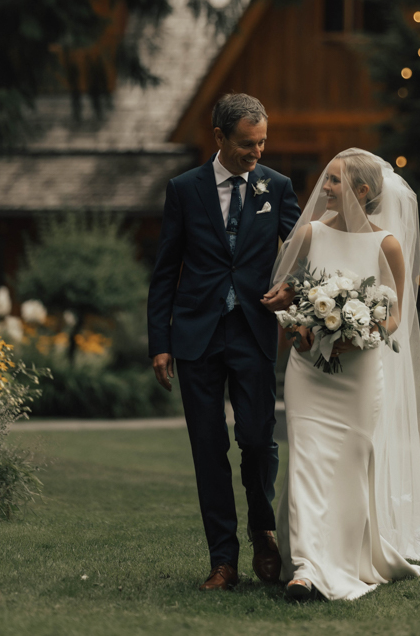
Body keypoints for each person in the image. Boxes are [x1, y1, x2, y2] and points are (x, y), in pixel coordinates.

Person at [266, 148, 420, 602]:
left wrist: (360, 331)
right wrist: (299, 322)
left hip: (359, 375)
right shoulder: (306, 235)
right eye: (327, 179)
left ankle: (341, 559)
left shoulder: (386, 245)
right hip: (308, 371)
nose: (324, 187)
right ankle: (306, 568)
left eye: (336, 181)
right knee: (305, 458)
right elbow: (287, 296)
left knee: (348, 467)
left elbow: (396, 315)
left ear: (362, 191)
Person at [148, 93, 301, 591]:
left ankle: (263, 528)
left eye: (261, 143)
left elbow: (304, 253)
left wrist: (294, 289)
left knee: (258, 440)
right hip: (195, 335)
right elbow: (166, 269)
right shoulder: (184, 189)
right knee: (208, 447)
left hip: (254, 332)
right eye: (245, 145)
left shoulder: (275, 187)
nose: (256, 153)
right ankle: (223, 560)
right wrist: (160, 341)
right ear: (219, 138)